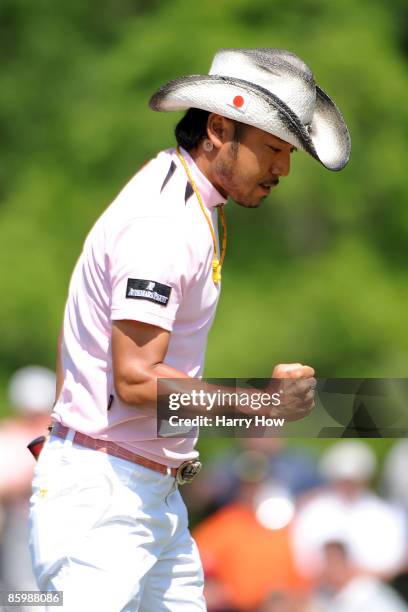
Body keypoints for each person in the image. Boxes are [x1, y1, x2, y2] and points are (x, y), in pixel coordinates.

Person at [28, 48, 350, 611]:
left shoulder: (190, 204)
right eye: (274, 149)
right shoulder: (164, 223)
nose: (284, 169)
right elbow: (134, 381)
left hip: (139, 492)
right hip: (107, 498)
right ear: (219, 129)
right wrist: (262, 406)